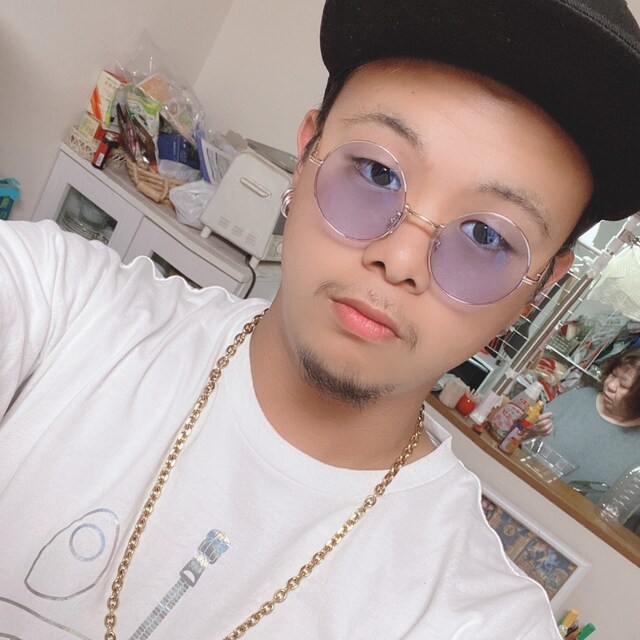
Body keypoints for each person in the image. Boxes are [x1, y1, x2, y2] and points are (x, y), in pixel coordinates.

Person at [2, 1, 640, 638]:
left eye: (486, 236)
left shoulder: (478, 620)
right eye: (377, 172)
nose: (400, 259)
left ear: (539, 289)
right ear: (306, 151)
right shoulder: (60, 306)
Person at [531, 346, 640, 498]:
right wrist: (533, 429)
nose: (611, 385)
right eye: (613, 375)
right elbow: (524, 439)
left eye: (623, 385)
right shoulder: (581, 398)